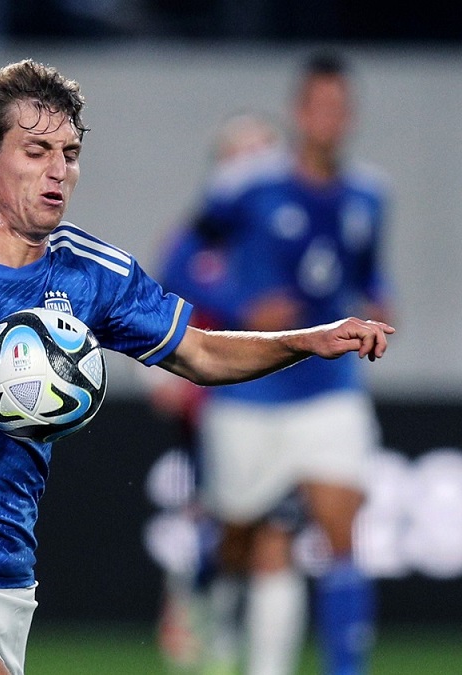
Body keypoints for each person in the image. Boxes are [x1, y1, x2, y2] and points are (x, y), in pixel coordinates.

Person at [0, 59, 394, 675]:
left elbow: (199, 353)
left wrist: (308, 339)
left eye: (69, 153)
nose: (58, 171)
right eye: (36, 152)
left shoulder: (94, 273)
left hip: (7, 579)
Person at [192, 51, 390, 675]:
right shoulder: (246, 185)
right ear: (300, 111)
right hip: (251, 390)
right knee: (242, 539)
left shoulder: (368, 195)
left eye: (339, 106)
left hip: (330, 386)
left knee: (339, 532)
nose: (328, 118)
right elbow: (181, 261)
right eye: (318, 105)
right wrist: (238, 306)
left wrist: (382, 301)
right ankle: (216, 593)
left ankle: (343, 667)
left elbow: (364, 271)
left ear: (349, 115)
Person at [147, 112, 283, 672]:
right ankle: (205, 608)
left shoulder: (290, 238)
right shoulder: (194, 242)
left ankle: (254, 653)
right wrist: (157, 375)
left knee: (276, 532)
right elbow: (156, 313)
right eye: (240, 158)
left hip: (288, 404)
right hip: (219, 404)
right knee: (229, 527)